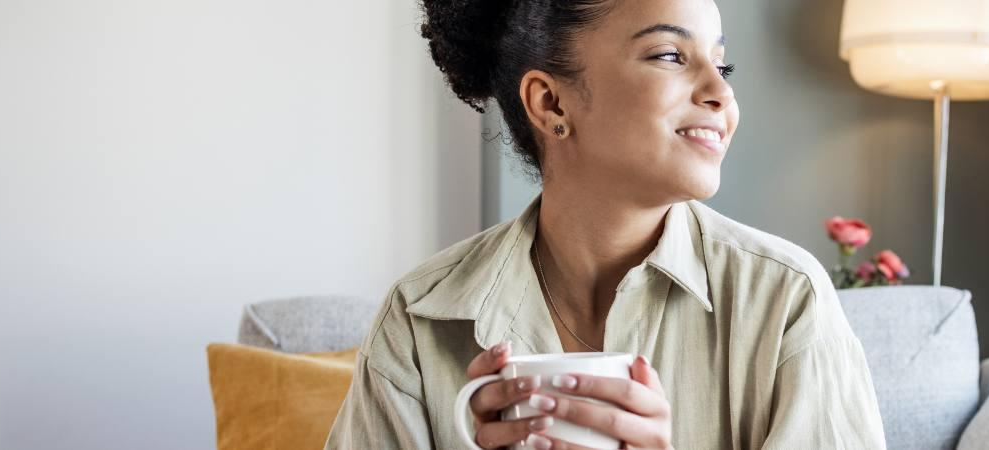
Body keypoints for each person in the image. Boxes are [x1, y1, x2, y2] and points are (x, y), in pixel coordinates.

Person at [325, 0, 887, 448]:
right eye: (670, 55)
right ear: (550, 103)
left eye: (723, 64)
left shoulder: (785, 300)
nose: (721, 93)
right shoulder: (419, 318)